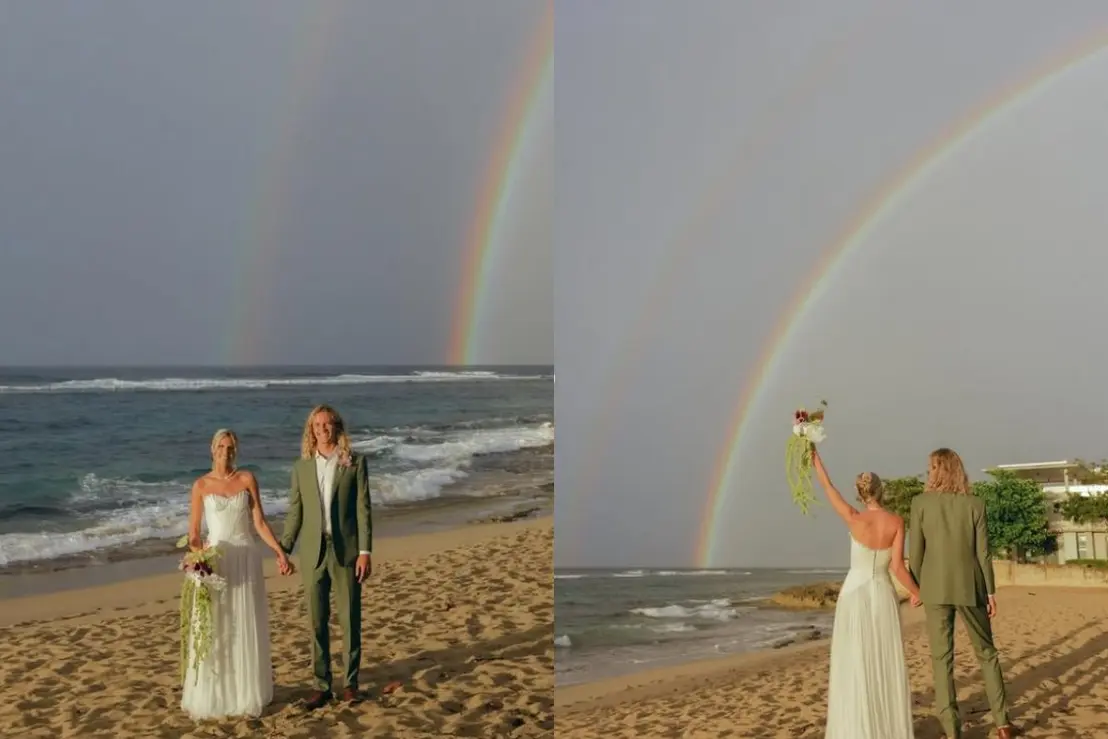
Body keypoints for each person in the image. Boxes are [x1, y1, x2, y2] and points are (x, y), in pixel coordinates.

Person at [181, 428, 293, 720]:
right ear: (212, 449)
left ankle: (245, 694)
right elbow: (193, 532)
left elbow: (259, 522)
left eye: (230, 448)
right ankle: (217, 694)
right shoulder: (201, 485)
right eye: (221, 447)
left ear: (236, 451)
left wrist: (279, 552)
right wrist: (197, 556)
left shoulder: (246, 479)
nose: (225, 452)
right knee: (218, 625)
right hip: (217, 561)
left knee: (244, 624)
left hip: (245, 557)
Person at [811, 446, 917, 739]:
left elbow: (827, 487)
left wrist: (816, 460)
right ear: (883, 491)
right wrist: (916, 591)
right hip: (882, 593)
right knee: (883, 662)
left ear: (860, 494)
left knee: (855, 663)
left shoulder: (853, 518)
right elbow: (897, 567)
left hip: (853, 595)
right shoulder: (896, 522)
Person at [910, 448, 1014, 739]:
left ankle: (952, 730)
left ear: (937, 470)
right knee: (987, 654)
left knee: (942, 660)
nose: (928, 472)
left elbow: (915, 554)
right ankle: (1003, 723)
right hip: (971, 587)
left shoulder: (919, 503)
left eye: (931, 467)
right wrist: (990, 591)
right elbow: (983, 554)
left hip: (934, 590)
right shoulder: (975, 504)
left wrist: (915, 588)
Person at [279, 404, 373, 709]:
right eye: (317, 425)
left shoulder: (354, 463)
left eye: (327, 424)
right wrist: (284, 548)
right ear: (311, 430)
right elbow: (296, 511)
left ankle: (350, 684)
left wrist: (365, 552)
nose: (322, 429)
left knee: (349, 619)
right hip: (312, 552)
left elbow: (363, 509)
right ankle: (321, 685)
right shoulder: (301, 467)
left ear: (337, 427)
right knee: (317, 622)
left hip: (345, 550)